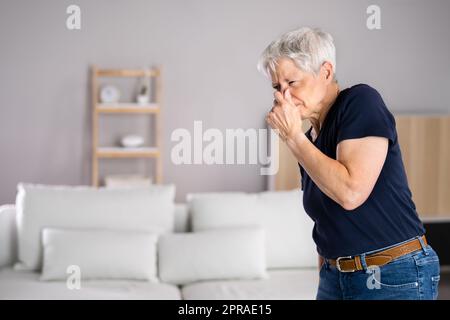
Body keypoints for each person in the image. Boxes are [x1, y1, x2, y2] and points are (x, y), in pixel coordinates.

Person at [258, 27, 440, 300]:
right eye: (277, 87)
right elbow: (327, 220)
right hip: (336, 277)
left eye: (292, 83)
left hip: (392, 273)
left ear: (326, 72)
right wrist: (327, 274)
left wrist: (292, 138)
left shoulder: (360, 102)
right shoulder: (310, 139)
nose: (283, 96)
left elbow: (350, 192)